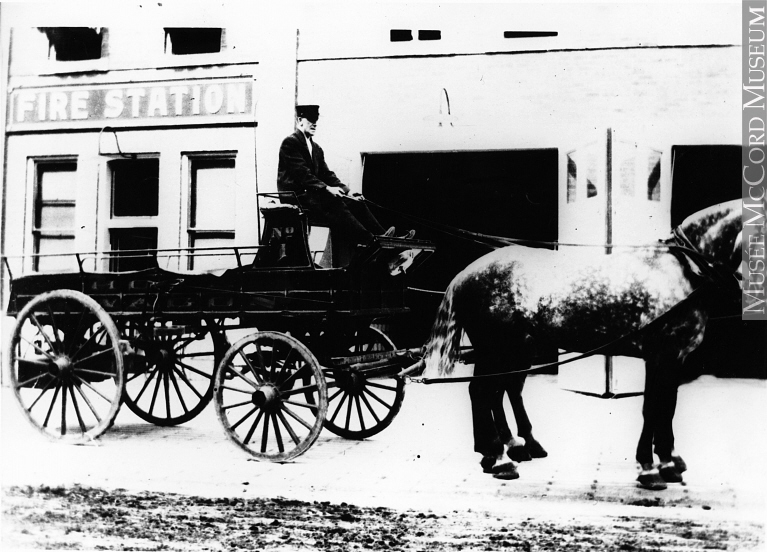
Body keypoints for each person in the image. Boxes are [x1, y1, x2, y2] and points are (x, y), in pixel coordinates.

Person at [277, 105, 413, 259]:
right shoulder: (290, 143)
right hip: (297, 196)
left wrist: (347, 191)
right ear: (300, 120)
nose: (315, 124)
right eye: (311, 120)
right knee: (335, 202)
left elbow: (327, 174)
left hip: (313, 195)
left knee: (357, 203)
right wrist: (327, 188)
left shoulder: (316, 148)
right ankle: (370, 241)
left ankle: (386, 238)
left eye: (316, 120)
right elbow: (303, 174)